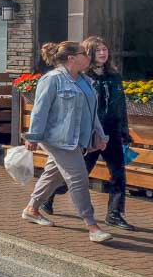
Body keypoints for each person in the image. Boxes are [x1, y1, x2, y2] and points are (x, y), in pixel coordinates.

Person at [22, 41, 113, 243]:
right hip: (57, 139)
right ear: (71, 58)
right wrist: (33, 137)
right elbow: (39, 110)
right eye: (84, 54)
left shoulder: (85, 81)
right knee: (78, 178)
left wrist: (100, 135)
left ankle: (32, 209)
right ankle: (92, 226)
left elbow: (92, 112)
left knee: (53, 175)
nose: (88, 57)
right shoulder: (52, 79)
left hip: (76, 139)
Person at [40, 37, 136, 230]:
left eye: (105, 49)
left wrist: (124, 131)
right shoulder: (83, 77)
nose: (103, 53)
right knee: (78, 176)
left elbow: (121, 106)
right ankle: (48, 196)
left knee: (118, 174)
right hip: (91, 134)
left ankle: (115, 214)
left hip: (113, 131)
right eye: (98, 50)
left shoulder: (114, 76)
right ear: (88, 53)